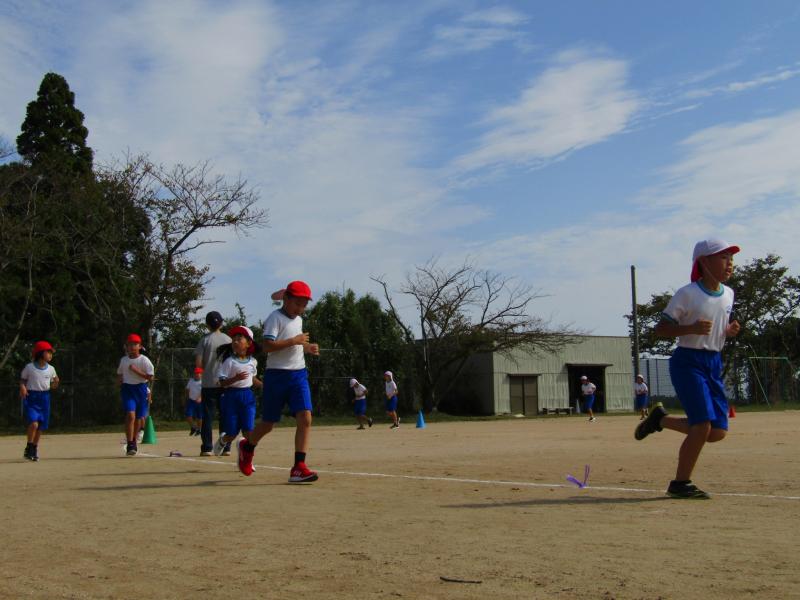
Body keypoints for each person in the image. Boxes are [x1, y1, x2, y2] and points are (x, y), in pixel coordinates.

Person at [635, 238, 740, 499]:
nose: (729, 263)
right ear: (703, 261)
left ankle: (659, 419)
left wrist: (727, 331)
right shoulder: (687, 293)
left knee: (717, 432)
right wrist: (690, 328)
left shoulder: (728, 294)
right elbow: (661, 329)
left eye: (731, 258)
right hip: (688, 361)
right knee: (702, 425)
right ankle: (681, 483)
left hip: (713, 362)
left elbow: (716, 328)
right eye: (723, 257)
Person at [236, 281, 320, 482]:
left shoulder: (298, 320)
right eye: (297, 303)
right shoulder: (274, 318)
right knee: (268, 424)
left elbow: (296, 342)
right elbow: (267, 346)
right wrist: (294, 341)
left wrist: (306, 347)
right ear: (286, 299)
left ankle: (299, 467)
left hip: (298, 374)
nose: (300, 308)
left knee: (305, 417)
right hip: (276, 376)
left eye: (304, 305)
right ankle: (247, 446)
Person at [213, 326, 261, 456]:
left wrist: (265, 386)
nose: (235, 341)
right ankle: (223, 440)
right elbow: (222, 383)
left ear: (249, 343)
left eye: (239, 339)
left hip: (247, 397)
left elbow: (252, 379)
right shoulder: (229, 362)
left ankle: (246, 458)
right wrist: (235, 378)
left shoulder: (253, 362)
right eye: (233, 339)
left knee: (248, 431)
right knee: (232, 434)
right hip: (231, 397)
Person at [194, 311, 232, 456]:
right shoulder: (228, 339)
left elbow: (198, 363)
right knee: (225, 416)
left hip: (208, 383)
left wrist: (202, 371)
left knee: (207, 417)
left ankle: (207, 447)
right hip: (225, 383)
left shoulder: (204, 340)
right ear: (221, 323)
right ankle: (225, 447)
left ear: (207, 325)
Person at [20, 341, 59, 461]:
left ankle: (34, 448)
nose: (51, 355)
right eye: (48, 352)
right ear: (40, 353)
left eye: (51, 353)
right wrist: (23, 388)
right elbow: (22, 380)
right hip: (32, 397)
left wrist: (56, 382)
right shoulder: (29, 367)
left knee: (41, 426)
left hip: (45, 398)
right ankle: (29, 446)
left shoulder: (51, 369)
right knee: (34, 424)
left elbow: (53, 386)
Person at [117, 334, 154, 456]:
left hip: (141, 389)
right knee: (130, 415)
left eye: (135, 344)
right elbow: (120, 373)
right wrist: (119, 380)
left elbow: (150, 377)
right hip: (128, 389)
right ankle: (130, 443)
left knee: (138, 418)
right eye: (130, 344)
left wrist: (136, 371)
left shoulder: (144, 360)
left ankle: (133, 440)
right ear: (126, 347)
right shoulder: (124, 360)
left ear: (140, 346)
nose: (132, 347)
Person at [185, 367, 204, 436]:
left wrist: (200, 398)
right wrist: (187, 398)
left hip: (199, 402)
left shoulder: (203, 382)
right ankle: (194, 427)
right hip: (191, 401)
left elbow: (204, 391)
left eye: (198, 373)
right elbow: (187, 389)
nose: (196, 374)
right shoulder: (191, 380)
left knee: (199, 417)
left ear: (201, 374)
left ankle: (199, 429)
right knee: (188, 415)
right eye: (195, 373)